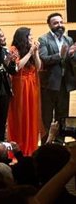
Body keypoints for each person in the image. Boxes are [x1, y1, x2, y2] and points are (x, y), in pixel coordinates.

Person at [38, 12, 76, 142]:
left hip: (65, 83)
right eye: (56, 23)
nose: (59, 25)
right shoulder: (43, 39)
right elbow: (44, 59)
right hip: (49, 84)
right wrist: (60, 55)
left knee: (62, 116)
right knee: (47, 117)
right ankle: (46, 144)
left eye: (61, 22)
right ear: (49, 25)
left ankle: (60, 143)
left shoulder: (68, 40)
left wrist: (71, 55)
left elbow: (71, 61)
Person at [7, 27, 42, 155]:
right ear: (23, 37)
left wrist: (36, 53)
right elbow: (17, 67)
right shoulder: (14, 50)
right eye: (29, 36)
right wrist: (29, 53)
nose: (32, 38)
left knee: (31, 115)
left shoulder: (31, 49)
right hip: (20, 86)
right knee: (20, 115)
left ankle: (31, 148)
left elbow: (38, 67)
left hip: (32, 85)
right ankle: (19, 149)